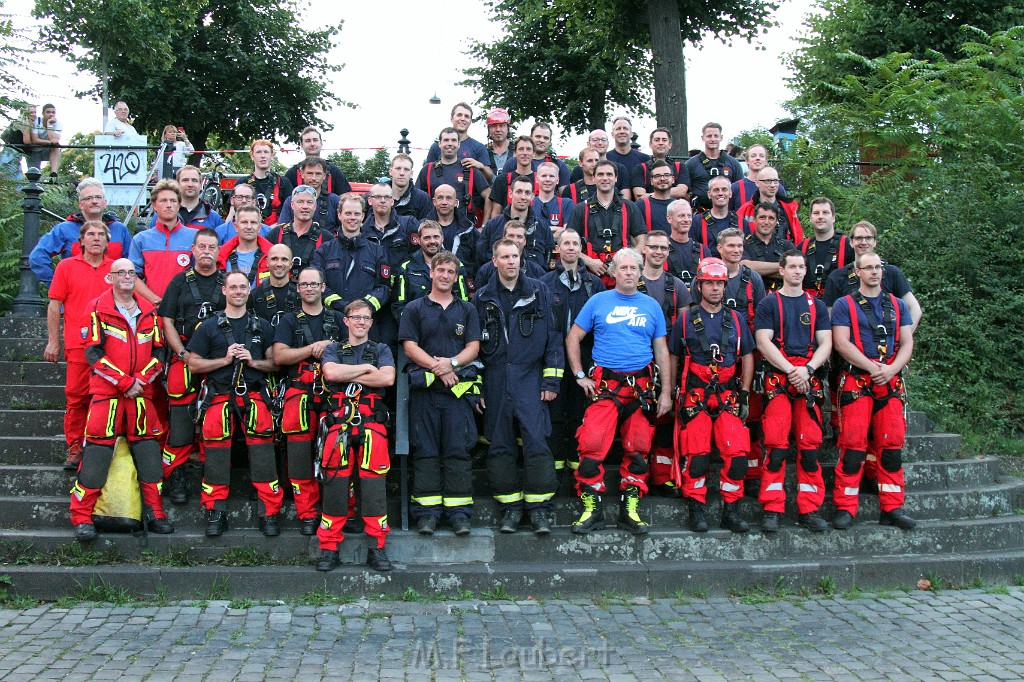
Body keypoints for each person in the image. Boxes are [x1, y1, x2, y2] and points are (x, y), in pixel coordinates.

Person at [566, 248, 673, 535]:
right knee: (591, 446)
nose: (628, 273)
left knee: (638, 450)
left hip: (640, 390)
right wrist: (578, 375)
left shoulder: (651, 306)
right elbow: (573, 337)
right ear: (613, 272)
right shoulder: (598, 301)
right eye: (622, 268)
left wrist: (666, 393)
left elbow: (662, 349)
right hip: (605, 387)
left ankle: (631, 510)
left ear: (640, 272)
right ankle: (592, 510)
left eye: (633, 268)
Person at [70, 258, 172, 540]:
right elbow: (92, 353)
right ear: (110, 278)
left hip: (142, 394)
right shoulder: (97, 308)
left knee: (150, 453)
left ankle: (155, 513)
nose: (127, 276)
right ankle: (81, 517)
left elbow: (160, 352)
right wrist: (125, 382)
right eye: (121, 272)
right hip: (107, 395)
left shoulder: (149, 311)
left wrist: (141, 380)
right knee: (97, 455)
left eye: (131, 272)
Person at [474, 238, 563, 534]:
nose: (511, 262)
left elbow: (553, 337)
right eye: (505, 257)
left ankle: (539, 510)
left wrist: (551, 379)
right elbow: (472, 347)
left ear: (521, 258)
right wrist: (478, 387)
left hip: (531, 378)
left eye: (515, 256)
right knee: (500, 445)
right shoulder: (483, 297)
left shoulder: (540, 291)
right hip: (496, 379)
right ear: (495, 261)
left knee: (537, 442)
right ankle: (509, 509)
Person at [187, 270, 280, 537]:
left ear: (248, 291)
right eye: (233, 287)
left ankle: (269, 511)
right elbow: (193, 363)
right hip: (219, 395)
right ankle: (216, 511)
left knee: (263, 456)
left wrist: (253, 361)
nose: (238, 292)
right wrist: (224, 361)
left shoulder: (262, 325)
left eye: (243, 287)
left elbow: (275, 363)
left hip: (254, 394)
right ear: (224, 291)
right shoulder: (208, 326)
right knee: (215, 457)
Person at [830, 251, 917, 531]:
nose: (875, 273)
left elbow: (907, 342)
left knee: (891, 449)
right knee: (853, 448)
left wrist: (892, 370)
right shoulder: (844, 305)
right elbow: (841, 343)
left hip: (890, 381)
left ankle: (892, 507)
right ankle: (845, 507)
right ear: (857, 272)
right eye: (868, 268)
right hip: (858, 380)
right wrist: (871, 366)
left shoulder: (897, 305)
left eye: (878, 268)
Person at [398, 250, 482, 535]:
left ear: (456, 277)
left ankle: (459, 515)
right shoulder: (414, 308)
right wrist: (438, 367)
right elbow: (409, 345)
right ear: (431, 273)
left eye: (451, 272)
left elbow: (473, 347)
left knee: (459, 450)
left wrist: (453, 363)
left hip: (458, 392)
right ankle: (427, 514)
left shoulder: (467, 309)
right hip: (425, 393)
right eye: (441, 270)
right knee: (426, 451)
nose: (445, 276)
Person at [669, 257, 754, 533]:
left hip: (729, 394)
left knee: (738, 455)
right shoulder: (685, 320)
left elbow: (747, 356)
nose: (715, 289)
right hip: (696, 396)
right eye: (710, 284)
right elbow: (673, 356)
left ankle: (732, 510)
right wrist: (670, 393)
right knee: (698, 456)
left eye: (719, 283)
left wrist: (744, 392)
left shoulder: (737, 319)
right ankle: (697, 509)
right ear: (700, 286)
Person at [753, 250, 832, 533]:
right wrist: (791, 370)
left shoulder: (817, 305)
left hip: (807, 379)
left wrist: (808, 370)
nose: (798, 271)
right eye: (793, 267)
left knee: (809, 447)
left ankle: (810, 508)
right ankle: (772, 508)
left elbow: (826, 343)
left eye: (802, 267)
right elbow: (763, 342)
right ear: (782, 270)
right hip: (780, 378)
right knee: (775, 446)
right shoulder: (768, 303)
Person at [316, 299, 397, 572]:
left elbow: (387, 379)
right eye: (356, 317)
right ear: (346, 320)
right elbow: (330, 372)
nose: (361, 322)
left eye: (366, 318)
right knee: (335, 486)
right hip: (338, 425)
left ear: (372, 323)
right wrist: (366, 370)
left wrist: (348, 375)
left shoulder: (382, 349)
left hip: (373, 426)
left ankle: (378, 548)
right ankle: (329, 548)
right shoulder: (333, 349)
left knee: (374, 488)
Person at [272, 266, 348, 537]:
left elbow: (356, 350)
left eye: (314, 284)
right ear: (298, 289)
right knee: (299, 458)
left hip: (333, 395)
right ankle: (307, 513)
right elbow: (279, 357)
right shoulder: (289, 321)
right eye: (304, 285)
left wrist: (332, 347)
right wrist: (312, 349)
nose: (309, 289)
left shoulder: (339, 319)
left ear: (323, 287)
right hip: (299, 396)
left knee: (336, 455)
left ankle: (339, 511)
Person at [157, 228, 226, 504]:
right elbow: (167, 321)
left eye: (212, 247)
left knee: (216, 419)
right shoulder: (179, 282)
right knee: (181, 418)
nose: (207, 251)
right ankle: (177, 475)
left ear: (219, 251)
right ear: (193, 250)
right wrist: (182, 352)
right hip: (184, 357)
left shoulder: (227, 282)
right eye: (202, 246)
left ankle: (215, 476)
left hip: (220, 362)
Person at [45, 221, 115, 470]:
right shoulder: (66, 266)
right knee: (76, 397)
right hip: (78, 343)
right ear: (81, 240)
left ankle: (103, 446)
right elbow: (54, 305)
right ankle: (75, 447)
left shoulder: (116, 269)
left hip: (111, 346)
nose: (96, 239)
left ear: (108, 241)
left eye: (101, 235)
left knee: (108, 397)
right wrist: (53, 341)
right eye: (91, 234)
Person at [541, 229, 601, 478]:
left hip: (584, 357)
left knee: (579, 412)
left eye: (575, 243)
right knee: (554, 414)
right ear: (558, 246)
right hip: (554, 358)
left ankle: (577, 466)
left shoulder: (594, 284)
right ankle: (555, 468)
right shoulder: (545, 283)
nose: (570, 248)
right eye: (566, 243)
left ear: (580, 248)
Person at [637, 231, 691, 498]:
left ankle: (661, 475)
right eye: (654, 247)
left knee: (666, 420)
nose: (658, 252)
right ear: (644, 249)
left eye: (664, 248)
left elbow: (684, 328)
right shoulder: (631, 280)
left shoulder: (677, 286)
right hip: (637, 360)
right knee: (638, 419)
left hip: (668, 359)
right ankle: (636, 476)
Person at [30, 178, 133, 286]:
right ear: (81, 204)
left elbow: (132, 264)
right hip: (76, 297)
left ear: (105, 202)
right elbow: (37, 257)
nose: (94, 201)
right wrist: (56, 284)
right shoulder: (65, 229)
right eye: (88, 198)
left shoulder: (120, 230)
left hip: (112, 296)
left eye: (98, 197)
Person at [823, 220, 923, 330]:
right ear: (851, 242)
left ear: (875, 241)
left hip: (889, 341)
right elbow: (829, 317)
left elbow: (915, 309)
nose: (864, 242)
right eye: (859, 238)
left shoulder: (891, 273)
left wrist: (902, 339)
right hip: (851, 342)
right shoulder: (837, 277)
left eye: (868, 238)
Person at [565, 160, 647, 288]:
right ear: (593, 178)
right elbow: (567, 244)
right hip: (589, 277)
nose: (605, 178)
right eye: (600, 174)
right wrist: (589, 261)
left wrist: (623, 261)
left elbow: (642, 242)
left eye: (609, 174)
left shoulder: (630, 207)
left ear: (616, 178)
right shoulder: (580, 209)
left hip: (623, 277)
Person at [313, 193, 391, 324]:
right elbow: (318, 286)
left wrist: (363, 308)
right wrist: (344, 307)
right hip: (331, 320)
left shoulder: (377, 251)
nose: (352, 218)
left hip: (365, 324)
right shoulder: (324, 250)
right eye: (348, 213)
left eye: (356, 214)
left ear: (363, 216)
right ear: (339, 215)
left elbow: (384, 288)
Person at [128, 179, 200, 302]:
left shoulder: (195, 237)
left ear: (179, 205)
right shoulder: (141, 239)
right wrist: (154, 300)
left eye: (173, 201)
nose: (168, 205)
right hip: (151, 309)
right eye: (163, 200)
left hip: (184, 310)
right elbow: (131, 276)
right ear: (154, 206)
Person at [391, 221, 471, 322]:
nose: (432, 241)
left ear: (442, 238)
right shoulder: (406, 268)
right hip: (417, 330)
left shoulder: (457, 266)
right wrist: (412, 326)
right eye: (427, 238)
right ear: (419, 240)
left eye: (436, 237)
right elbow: (399, 305)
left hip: (449, 328)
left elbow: (464, 302)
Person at [477, 174, 551, 276]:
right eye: (519, 192)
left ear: (532, 196)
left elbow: (550, 262)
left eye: (527, 193)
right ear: (510, 194)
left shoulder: (542, 227)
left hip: (535, 286)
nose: (523, 197)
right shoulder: (493, 225)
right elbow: (480, 260)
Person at [417, 127, 490, 224]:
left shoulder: (469, 169)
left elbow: (489, 195)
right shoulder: (428, 170)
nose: (450, 143)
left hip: (464, 230)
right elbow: (416, 197)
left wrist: (484, 227)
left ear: (459, 144)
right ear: (439, 143)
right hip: (433, 231)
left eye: (454, 140)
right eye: (446, 140)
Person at [267, 186, 328, 280]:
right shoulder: (276, 234)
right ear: (292, 205)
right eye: (300, 202)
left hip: (311, 291)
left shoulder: (326, 238)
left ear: (315, 206)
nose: (305, 206)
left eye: (309, 202)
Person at [798, 197, 854, 297]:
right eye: (816, 213)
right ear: (810, 218)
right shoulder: (802, 247)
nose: (820, 217)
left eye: (825, 212)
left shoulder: (848, 245)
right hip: (808, 305)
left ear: (833, 218)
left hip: (839, 304)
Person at [145, 165, 223, 232]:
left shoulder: (213, 218)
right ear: (178, 184)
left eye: (194, 180)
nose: (190, 184)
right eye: (185, 180)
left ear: (200, 185)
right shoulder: (161, 215)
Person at [735, 166, 802, 243]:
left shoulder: (788, 208)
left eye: (775, 181)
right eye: (768, 181)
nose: (773, 185)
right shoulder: (745, 210)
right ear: (757, 183)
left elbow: (798, 238)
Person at [684, 122, 744, 208]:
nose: (713, 139)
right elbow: (684, 191)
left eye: (716, 136)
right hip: (699, 214)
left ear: (721, 138)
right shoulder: (691, 164)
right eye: (709, 136)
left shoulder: (734, 163)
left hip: (727, 213)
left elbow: (740, 190)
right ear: (703, 138)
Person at [276, 156, 341, 235]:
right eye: (310, 173)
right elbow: (282, 229)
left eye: (318, 174)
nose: (314, 178)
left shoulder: (334, 200)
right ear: (302, 174)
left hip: (326, 245)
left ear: (324, 176)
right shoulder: (291, 200)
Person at [741, 202, 796, 291]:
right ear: (754, 220)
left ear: (776, 222)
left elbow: (795, 271)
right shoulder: (743, 245)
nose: (766, 222)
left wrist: (759, 270)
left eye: (771, 218)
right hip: (753, 297)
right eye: (762, 218)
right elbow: (744, 268)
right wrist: (784, 267)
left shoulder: (787, 245)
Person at [239, 139, 294, 226]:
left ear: (272, 155)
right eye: (258, 152)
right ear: (252, 156)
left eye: (266, 152)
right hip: (248, 229)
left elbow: (292, 212)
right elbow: (233, 211)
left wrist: (272, 230)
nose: (262, 156)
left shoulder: (283, 183)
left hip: (276, 230)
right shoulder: (242, 183)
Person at [284, 126, 352, 196]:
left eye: (315, 140)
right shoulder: (292, 173)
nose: (312, 144)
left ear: (321, 143)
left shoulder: (334, 171)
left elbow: (343, 200)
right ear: (301, 145)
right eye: (307, 141)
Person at [424, 102, 492, 171]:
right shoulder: (436, 146)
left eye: (466, 116)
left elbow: (490, 177)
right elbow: (427, 173)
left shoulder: (479, 148)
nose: (463, 119)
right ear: (451, 118)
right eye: (459, 115)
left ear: (470, 121)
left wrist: (481, 166)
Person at [421, 184, 476, 268]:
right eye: (440, 198)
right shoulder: (422, 229)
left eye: (449, 198)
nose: (444, 202)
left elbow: (477, 261)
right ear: (434, 202)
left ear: (456, 202)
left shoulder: (469, 229)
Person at [689, 175, 743, 257]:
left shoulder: (741, 222)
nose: (720, 193)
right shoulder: (697, 222)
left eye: (724, 189)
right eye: (716, 190)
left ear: (730, 193)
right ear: (709, 194)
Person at [567, 130, 631, 199]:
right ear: (588, 144)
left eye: (603, 140)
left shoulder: (619, 169)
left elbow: (625, 200)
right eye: (595, 140)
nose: (600, 143)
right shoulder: (578, 170)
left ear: (608, 143)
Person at [217, 205, 271, 285]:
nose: (249, 227)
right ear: (236, 227)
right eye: (244, 222)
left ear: (259, 227)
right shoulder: (220, 256)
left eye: (253, 222)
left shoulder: (272, 255)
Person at [485, 136, 537, 220]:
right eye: (521, 149)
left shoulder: (540, 181)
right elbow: (496, 212)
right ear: (515, 152)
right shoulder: (502, 180)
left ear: (534, 153)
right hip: (507, 230)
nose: (525, 153)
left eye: (528, 149)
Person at [631, 128, 689, 200]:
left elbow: (681, 191)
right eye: (657, 140)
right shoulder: (640, 169)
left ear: (670, 144)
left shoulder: (680, 167)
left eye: (664, 140)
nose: (660, 143)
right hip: (650, 210)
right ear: (650, 144)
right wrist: (671, 192)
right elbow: (640, 197)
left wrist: (650, 195)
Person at [250, 244, 300, 327]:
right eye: (274, 259)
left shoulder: (302, 292)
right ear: (267, 262)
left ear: (291, 264)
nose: (279, 264)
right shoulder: (254, 295)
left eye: (284, 259)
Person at [665, 200, 709, 288]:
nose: (686, 220)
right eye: (681, 216)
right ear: (669, 218)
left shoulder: (703, 250)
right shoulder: (661, 249)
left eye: (689, 216)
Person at [532, 161, 575, 236]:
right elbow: (525, 231)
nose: (547, 179)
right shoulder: (529, 204)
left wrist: (538, 232)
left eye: (551, 176)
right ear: (537, 179)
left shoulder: (567, 204)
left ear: (557, 180)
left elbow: (568, 233)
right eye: (544, 176)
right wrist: (557, 229)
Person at [635, 160, 676, 232]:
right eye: (657, 176)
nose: (662, 179)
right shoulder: (640, 206)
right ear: (651, 181)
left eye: (666, 175)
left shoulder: (679, 206)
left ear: (673, 179)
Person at [389, 153, 432, 220]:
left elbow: (426, 227)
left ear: (411, 173)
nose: (402, 173)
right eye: (398, 168)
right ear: (390, 171)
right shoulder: (377, 196)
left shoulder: (423, 199)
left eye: (406, 169)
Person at [28, 103, 62, 180]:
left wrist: (49, 125)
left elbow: (55, 140)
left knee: (56, 148)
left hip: (46, 150)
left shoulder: (58, 123)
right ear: (43, 113)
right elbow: (35, 140)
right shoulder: (36, 121)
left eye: (53, 112)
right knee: (34, 176)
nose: (51, 114)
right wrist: (49, 142)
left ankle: (54, 173)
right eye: (48, 112)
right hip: (34, 151)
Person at [483, 107, 511, 179]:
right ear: (489, 129)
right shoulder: (483, 152)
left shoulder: (518, 150)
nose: (498, 129)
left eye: (501, 125)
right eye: (494, 126)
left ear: (508, 128)